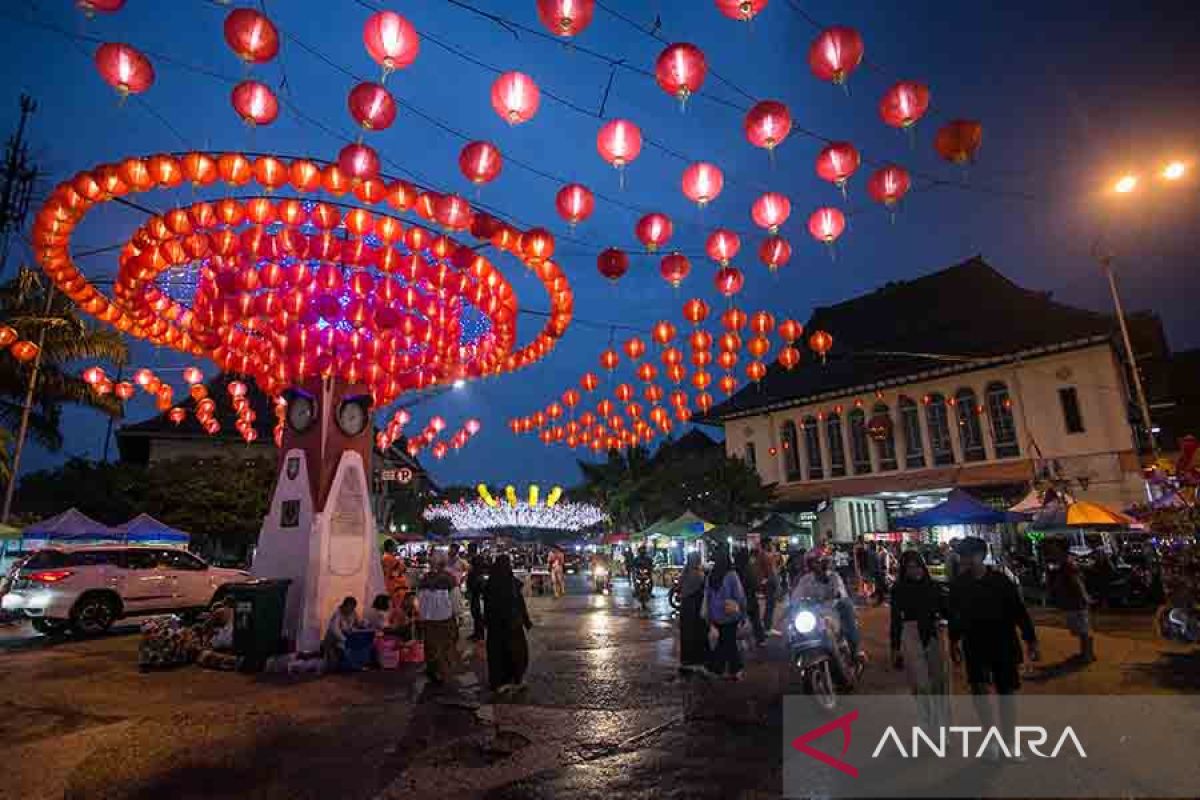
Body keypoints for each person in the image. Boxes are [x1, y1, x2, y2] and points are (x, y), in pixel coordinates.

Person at [948, 536, 1039, 760]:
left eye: (968, 555)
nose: (964, 560)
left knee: (1005, 693)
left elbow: (1018, 611)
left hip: (1003, 641)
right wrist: (953, 641)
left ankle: (1008, 742)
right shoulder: (960, 585)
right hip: (974, 643)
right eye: (962, 555)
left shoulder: (1000, 581)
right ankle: (991, 740)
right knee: (979, 692)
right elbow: (955, 616)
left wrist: (1030, 639)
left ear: (980, 555)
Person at [890, 551, 951, 728]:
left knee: (940, 684)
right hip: (911, 634)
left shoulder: (933, 587)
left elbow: (946, 611)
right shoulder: (898, 589)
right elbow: (895, 619)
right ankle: (927, 724)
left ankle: (943, 727)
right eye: (909, 567)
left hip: (934, 634)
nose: (914, 570)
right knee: (920, 685)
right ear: (904, 569)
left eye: (917, 566)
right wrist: (895, 647)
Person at [790, 550, 862, 659]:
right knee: (794, 626)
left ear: (825, 563)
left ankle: (855, 651)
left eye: (818, 562)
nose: (815, 565)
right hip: (815, 613)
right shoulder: (806, 580)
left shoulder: (834, 577)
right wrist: (793, 605)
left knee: (846, 606)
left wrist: (835, 596)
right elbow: (796, 596)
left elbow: (840, 594)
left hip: (833, 611)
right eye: (812, 562)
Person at [483, 554, 534, 693]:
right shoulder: (511, 583)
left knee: (499, 654)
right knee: (516, 653)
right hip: (511, 625)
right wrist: (526, 620)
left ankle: (501, 682)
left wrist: (486, 622)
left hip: (497, 626)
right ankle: (514, 679)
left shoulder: (491, 584)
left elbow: (487, 607)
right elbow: (519, 603)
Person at [705, 548, 747, 680]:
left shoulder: (711, 575)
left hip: (716, 615)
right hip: (730, 614)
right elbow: (739, 595)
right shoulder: (731, 575)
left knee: (725, 641)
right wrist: (743, 612)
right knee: (729, 642)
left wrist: (710, 615)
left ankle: (718, 668)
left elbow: (708, 596)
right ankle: (733, 669)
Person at [417, 554, 459, 684]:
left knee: (430, 647)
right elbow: (455, 601)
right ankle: (444, 675)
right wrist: (458, 615)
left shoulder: (423, 579)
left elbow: (419, 600)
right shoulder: (449, 579)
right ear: (443, 564)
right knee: (445, 648)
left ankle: (433, 671)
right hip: (444, 620)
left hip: (428, 620)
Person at [1052, 551, 1095, 662]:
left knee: (1083, 630)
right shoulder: (1072, 572)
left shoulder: (1071, 572)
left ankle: (1087, 655)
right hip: (1077, 603)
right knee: (1083, 630)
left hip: (1077, 604)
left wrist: (1085, 598)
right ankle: (1087, 653)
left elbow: (1078, 586)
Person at [677, 551, 709, 672]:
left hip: (686, 609)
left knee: (687, 635)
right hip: (696, 610)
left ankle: (686, 660)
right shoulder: (699, 574)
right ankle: (698, 660)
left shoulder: (685, 572)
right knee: (697, 634)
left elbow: (679, 587)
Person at [735, 548, 765, 646]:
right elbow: (754, 583)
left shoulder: (734, 570)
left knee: (737, 620)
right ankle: (760, 639)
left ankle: (737, 639)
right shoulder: (749, 568)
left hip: (738, 599)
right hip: (749, 597)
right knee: (755, 619)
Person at [322, 596, 362, 670]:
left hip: (345, 639)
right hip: (333, 640)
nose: (351, 609)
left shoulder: (353, 613)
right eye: (349, 607)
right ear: (345, 605)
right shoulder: (337, 614)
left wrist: (363, 623)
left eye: (353, 608)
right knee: (333, 662)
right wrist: (344, 639)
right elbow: (334, 629)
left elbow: (358, 623)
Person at [757, 542, 782, 636]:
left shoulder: (764, 555)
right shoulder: (766, 556)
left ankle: (767, 625)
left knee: (770, 605)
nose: (772, 546)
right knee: (770, 605)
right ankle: (767, 627)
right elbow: (771, 571)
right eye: (771, 544)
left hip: (768, 583)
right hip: (770, 583)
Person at [466, 554, 489, 641]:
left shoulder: (477, 573)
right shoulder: (476, 572)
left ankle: (479, 635)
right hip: (475, 597)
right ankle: (477, 633)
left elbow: (479, 586)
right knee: (476, 616)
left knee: (478, 616)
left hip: (477, 597)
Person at [381, 539, 409, 609]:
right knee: (397, 607)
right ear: (390, 547)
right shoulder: (388, 558)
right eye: (394, 545)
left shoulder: (387, 557)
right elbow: (402, 569)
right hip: (394, 586)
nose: (396, 547)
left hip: (393, 585)